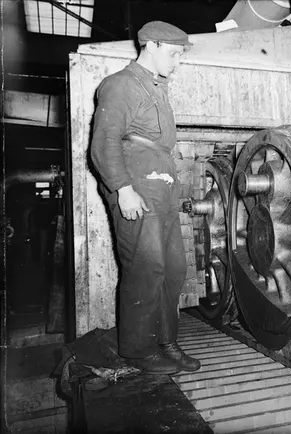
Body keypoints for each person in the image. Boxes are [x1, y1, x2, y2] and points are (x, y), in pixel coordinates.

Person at [90, 21, 200, 375]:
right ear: (150, 45)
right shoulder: (121, 84)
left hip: (162, 185)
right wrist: (122, 188)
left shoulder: (156, 87)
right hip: (137, 184)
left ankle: (166, 341)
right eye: (174, 54)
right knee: (145, 268)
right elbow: (104, 142)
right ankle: (138, 350)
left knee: (173, 269)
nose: (177, 62)